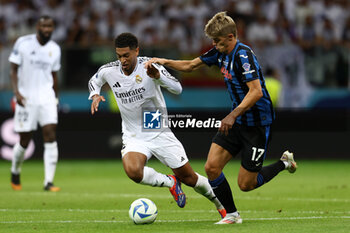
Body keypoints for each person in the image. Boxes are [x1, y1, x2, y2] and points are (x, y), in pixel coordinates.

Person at [145, 12, 297, 224]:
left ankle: (283, 163)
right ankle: (233, 215)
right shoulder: (219, 52)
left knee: (246, 184)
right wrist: (163, 62)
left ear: (231, 36)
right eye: (213, 41)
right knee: (211, 167)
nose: (214, 45)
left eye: (217, 41)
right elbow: (190, 66)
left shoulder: (244, 56)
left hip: (257, 125)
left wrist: (232, 115)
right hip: (236, 122)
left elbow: (256, 92)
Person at [88, 32, 226, 219]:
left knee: (189, 177)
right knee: (133, 171)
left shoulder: (150, 66)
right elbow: (94, 81)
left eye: (126, 55)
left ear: (137, 51)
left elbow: (177, 88)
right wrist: (95, 95)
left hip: (155, 126)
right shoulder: (109, 70)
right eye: (119, 56)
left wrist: (158, 75)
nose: (122, 60)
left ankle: (222, 205)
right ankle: (169, 182)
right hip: (133, 134)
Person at [9, 15, 61, 192]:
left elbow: (54, 76)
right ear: (37, 26)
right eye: (44, 25)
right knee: (24, 140)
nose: (47, 29)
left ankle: (49, 182)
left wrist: (56, 98)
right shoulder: (23, 43)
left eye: (50, 26)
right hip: (27, 97)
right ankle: (15, 170)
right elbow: (13, 69)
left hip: (47, 96)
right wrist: (16, 92)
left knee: (50, 134)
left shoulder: (55, 49)